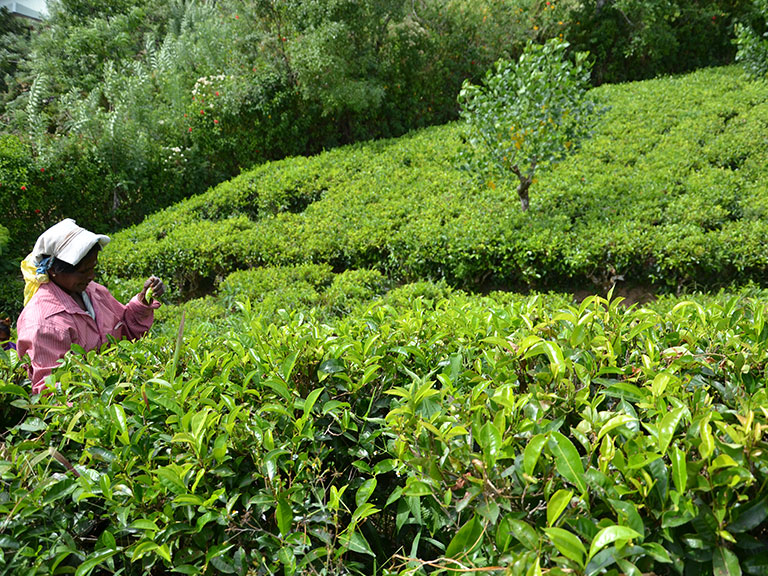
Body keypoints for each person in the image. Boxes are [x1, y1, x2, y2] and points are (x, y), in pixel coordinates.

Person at [17, 218, 165, 393]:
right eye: (83, 272)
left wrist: (142, 301)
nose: (92, 276)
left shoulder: (94, 292)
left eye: (93, 268)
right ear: (53, 270)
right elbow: (51, 391)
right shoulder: (43, 322)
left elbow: (126, 333)